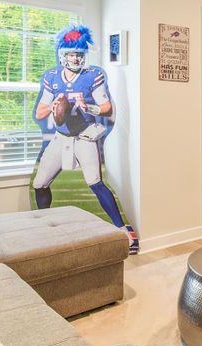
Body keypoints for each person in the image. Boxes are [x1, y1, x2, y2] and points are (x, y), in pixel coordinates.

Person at [32, 24, 138, 253]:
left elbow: (107, 107)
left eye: (80, 54)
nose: (76, 58)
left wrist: (86, 106)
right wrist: (53, 106)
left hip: (84, 136)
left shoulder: (93, 75)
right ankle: (46, 225)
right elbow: (40, 112)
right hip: (61, 138)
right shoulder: (52, 76)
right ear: (62, 55)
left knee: (95, 182)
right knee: (40, 184)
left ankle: (122, 229)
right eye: (71, 54)